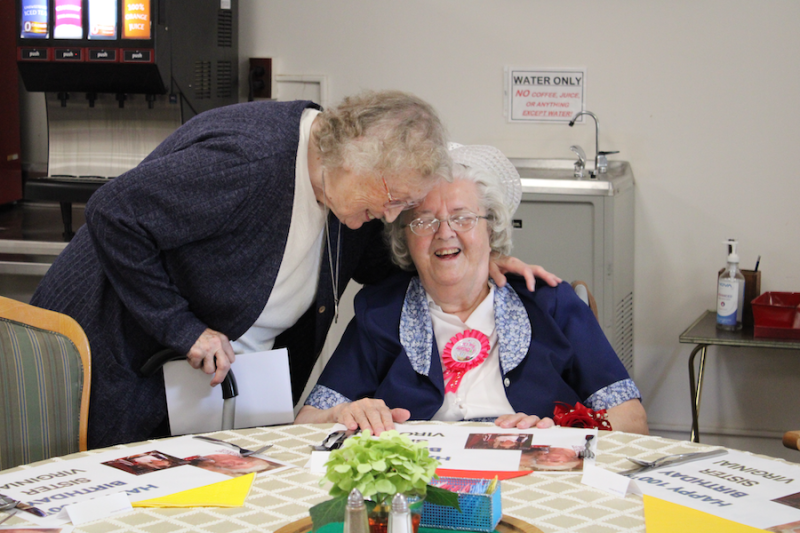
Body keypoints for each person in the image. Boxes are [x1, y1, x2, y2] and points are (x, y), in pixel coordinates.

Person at [31, 91, 558, 449]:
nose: (390, 215)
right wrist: (182, 327)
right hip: (107, 356)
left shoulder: (347, 194)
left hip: (207, 390)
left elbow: (388, 265)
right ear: (357, 155)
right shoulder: (251, 160)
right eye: (393, 198)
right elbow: (115, 212)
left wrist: (476, 260)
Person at [296, 144, 649, 435]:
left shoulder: (550, 303)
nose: (445, 232)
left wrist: (558, 433)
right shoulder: (380, 313)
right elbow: (305, 424)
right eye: (424, 221)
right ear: (404, 238)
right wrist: (342, 414)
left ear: (490, 228)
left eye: (462, 217)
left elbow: (632, 422)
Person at [186, 453, 281, 477]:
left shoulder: (201, 460)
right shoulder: (232, 452)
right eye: (241, 463)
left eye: (230, 466)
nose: (232, 463)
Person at [518, 447, 583, 472]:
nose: (549, 458)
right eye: (556, 461)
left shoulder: (538, 445)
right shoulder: (583, 448)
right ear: (571, 460)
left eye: (542, 460)